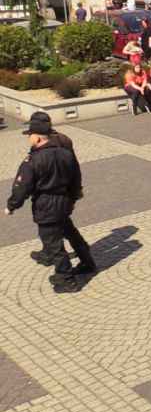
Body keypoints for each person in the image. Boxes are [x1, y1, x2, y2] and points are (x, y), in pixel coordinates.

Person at [5, 119, 94, 293]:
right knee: (71, 232)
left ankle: (66, 280)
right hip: (65, 202)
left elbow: (22, 187)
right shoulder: (65, 153)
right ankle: (87, 262)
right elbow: (76, 177)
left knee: (53, 244)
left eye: (30, 135)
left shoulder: (32, 160)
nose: (28, 138)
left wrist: (12, 206)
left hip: (46, 205)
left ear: (38, 138)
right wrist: (74, 195)